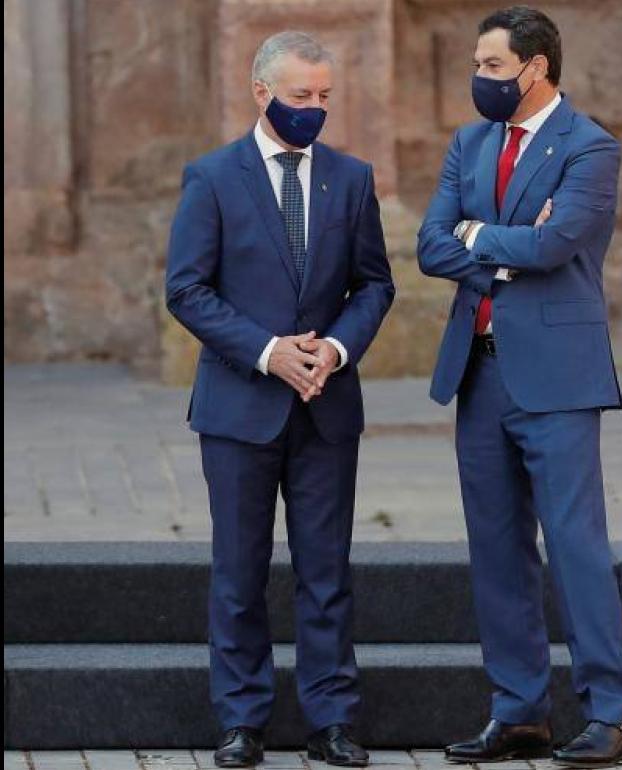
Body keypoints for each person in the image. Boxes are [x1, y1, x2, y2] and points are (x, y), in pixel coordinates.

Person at [417, 6, 622, 767]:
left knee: (576, 545)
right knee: (497, 549)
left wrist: (477, 236)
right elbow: (428, 245)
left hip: (557, 379)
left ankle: (612, 714)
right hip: (479, 371)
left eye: (490, 67)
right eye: (478, 67)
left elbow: (557, 243)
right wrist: (497, 249)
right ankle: (519, 714)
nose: (479, 80)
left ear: (535, 68)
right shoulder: (469, 142)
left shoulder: (591, 145)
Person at [165, 30, 395, 768]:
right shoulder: (212, 177)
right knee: (239, 571)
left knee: (326, 573)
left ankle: (332, 721)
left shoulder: (351, 178)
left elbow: (375, 284)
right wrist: (270, 352)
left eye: (325, 96)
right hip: (239, 406)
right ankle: (241, 721)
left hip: (327, 405)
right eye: (302, 96)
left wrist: (331, 348)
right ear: (262, 91)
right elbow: (187, 289)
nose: (315, 109)